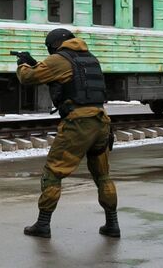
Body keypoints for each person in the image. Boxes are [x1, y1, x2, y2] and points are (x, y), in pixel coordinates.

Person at [14, 27, 119, 239]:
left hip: (78, 124)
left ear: (54, 45)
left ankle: (43, 225)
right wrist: (37, 62)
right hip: (101, 121)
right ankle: (112, 224)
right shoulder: (89, 58)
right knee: (102, 175)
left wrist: (23, 63)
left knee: (53, 173)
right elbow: (66, 79)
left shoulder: (60, 59)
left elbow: (28, 78)